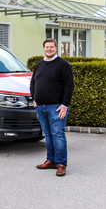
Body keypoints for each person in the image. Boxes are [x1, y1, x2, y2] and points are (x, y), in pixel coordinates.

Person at [30, 38, 74, 177]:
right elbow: (33, 83)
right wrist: (34, 98)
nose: (49, 49)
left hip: (56, 107)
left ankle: (61, 164)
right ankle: (51, 160)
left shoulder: (63, 65)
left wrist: (64, 105)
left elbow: (69, 85)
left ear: (56, 48)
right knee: (48, 134)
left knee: (58, 134)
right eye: (47, 47)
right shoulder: (39, 65)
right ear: (44, 48)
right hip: (41, 107)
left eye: (51, 47)